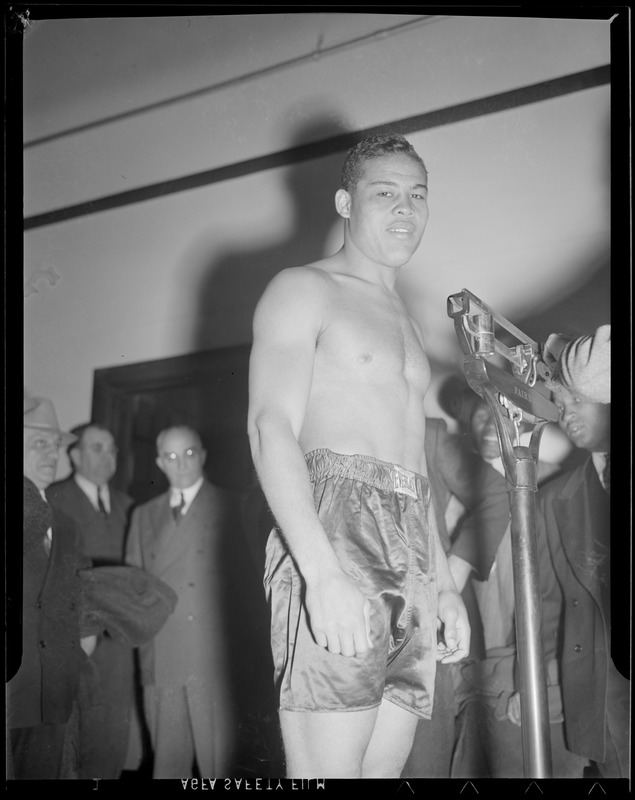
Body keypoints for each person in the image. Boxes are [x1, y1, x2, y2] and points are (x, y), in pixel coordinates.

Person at [247, 133, 470, 779]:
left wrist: (443, 583)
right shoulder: (303, 288)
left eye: (417, 195)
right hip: (335, 527)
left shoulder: (408, 319)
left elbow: (413, 467)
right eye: (385, 193)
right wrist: (321, 574)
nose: (405, 209)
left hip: (411, 537)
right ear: (346, 202)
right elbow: (269, 427)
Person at [531, 324, 628, 778]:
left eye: (577, 401)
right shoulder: (555, 500)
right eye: (561, 406)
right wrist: (540, 684)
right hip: (606, 695)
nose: (565, 415)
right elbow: (550, 606)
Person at [124, 425, 236, 778]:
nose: (181, 463)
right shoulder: (143, 515)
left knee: (219, 762)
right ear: (159, 462)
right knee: (168, 764)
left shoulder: (232, 504)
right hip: (162, 655)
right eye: (171, 456)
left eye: (189, 453)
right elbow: (133, 586)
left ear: (202, 455)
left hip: (214, 658)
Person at [8, 397, 96, 779]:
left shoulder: (68, 525)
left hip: (54, 693)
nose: (51, 454)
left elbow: (76, 596)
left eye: (55, 445)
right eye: (38, 443)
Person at [46, 423, 139, 779]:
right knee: (69, 740)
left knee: (111, 737)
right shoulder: (53, 499)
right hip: (71, 642)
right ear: (74, 455)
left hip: (118, 643)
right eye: (97, 448)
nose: (107, 457)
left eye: (112, 449)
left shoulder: (130, 507)